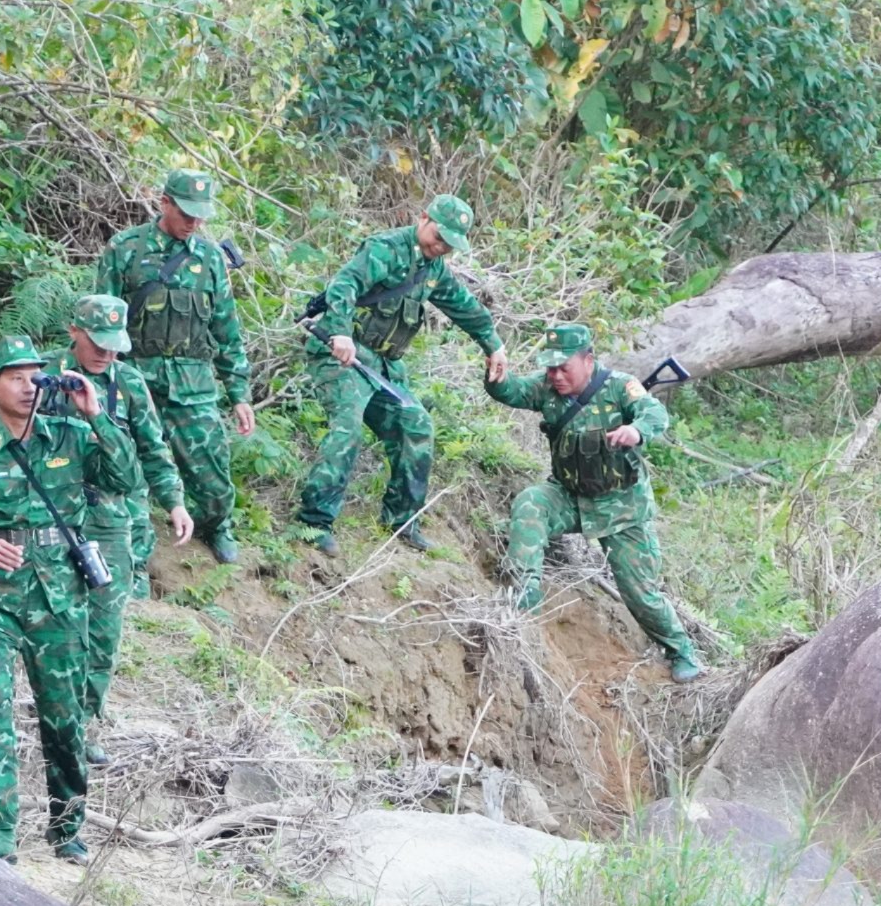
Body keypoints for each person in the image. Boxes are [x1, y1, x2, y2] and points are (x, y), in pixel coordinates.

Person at [0, 335, 132, 863]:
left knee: (64, 718)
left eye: (34, 376)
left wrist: (96, 415)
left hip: (60, 601)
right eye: (14, 377)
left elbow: (125, 478)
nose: (28, 386)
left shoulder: (70, 437)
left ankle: (67, 826)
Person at [487, 323, 703, 683]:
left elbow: (655, 414)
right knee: (530, 504)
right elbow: (512, 392)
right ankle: (523, 596)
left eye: (563, 367)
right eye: (550, 368)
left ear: (588, 360)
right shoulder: (546, 389)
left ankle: (682, 651)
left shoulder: (620, 387)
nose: (555, 376)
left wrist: (636, 431)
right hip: (569, 495)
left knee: (641, 594)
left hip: (622, 507)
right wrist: (494, 378)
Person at [295, 195, 509, 557]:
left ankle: (402, 521)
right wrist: (341, 332)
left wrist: (493, 344)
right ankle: (313, 522)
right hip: (343, 356)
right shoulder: (384, 249)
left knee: (416, 425)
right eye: (438, 237)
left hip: (384, 367)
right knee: (348, 424)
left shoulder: (434, 268)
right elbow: (344, 286)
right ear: (423, 218)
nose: (441, 247)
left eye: (449, 244)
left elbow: (464, 306)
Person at [94, 168, 253, 564]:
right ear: (164, 203)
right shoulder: (126, 249)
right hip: (135, 381)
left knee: (213, 479)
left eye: (200, 216)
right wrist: (99, 381)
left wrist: (239, 393)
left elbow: (226, 330)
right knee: (122, 468)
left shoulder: (212, 261)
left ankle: (216, 526)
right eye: (186, 214)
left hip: (192, 384)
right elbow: (100, 322)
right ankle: (131, 550)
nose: (193, 223)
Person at [58, 294, 194, 758]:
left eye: (114, 345)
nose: (105, 353)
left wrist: (173, 501)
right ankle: (51, 715)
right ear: (74, 331)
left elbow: (153, 449)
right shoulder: (40, 379)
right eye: (97, 342)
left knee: (104, 628)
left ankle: (82, 725)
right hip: (52, 513)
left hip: (110, 518)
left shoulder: (129, 384)